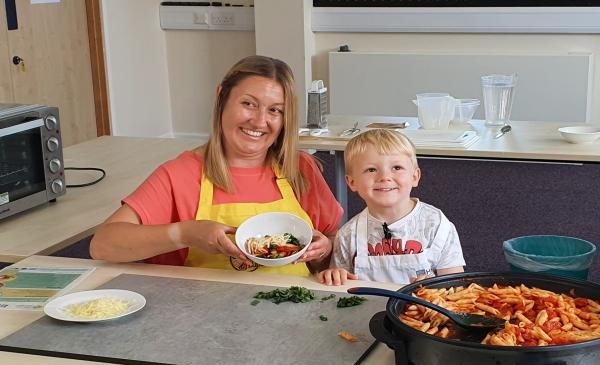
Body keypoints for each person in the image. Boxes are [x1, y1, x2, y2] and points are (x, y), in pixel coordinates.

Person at [90, 55, 343, 276]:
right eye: (248, 104)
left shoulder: (299, 169)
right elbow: (103, 245)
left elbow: (332, 244)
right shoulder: (180, 174)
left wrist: (324, 249)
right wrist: (184, 234)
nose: (259, 121)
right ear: (222, 96)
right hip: (201, 318)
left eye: (274, 110)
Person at [317, 129, 465, 285]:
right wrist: (334, 275)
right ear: (352, 182)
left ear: (415, 176)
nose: (384, 177)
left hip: (424, 307)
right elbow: (339, 286)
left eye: (397, 168)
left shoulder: (437, 225)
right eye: (371, 170)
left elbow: (457, 286)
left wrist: (435, 287)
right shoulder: (348, 235)